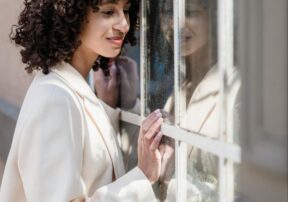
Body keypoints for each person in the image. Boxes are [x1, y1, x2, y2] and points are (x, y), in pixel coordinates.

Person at [0, 0, 168, 201]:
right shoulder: (55, 99)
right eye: (108, 11)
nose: (124, 24)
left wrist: (109, 108)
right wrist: (143, 177)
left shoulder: (69, 88)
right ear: (70, 15)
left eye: (127, 10)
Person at [94, 0, 241, 201]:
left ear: (216, 18)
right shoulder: (181, 85)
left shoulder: (238, 90)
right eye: (166, 13)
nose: (175, 24)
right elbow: (154, 155)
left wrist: (174, 174)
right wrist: (126, 105)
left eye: (189, 12)